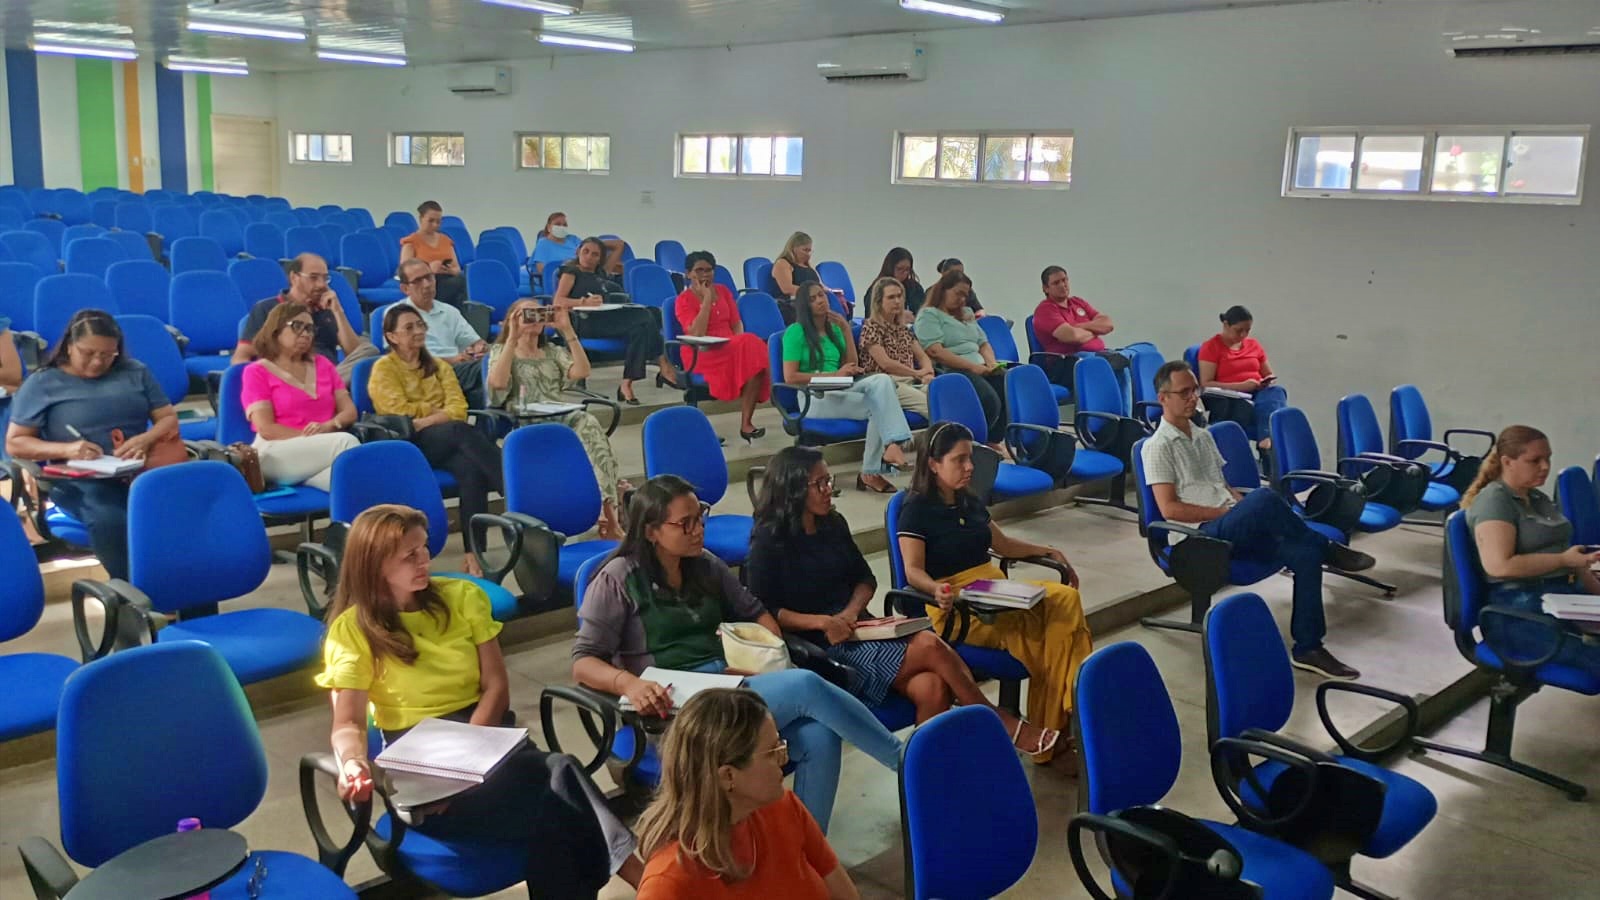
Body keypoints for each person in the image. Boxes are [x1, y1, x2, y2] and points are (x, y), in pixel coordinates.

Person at [317, 504, 642, 898]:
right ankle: (645, 879)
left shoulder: (462, 596)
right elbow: (347, 724)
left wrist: (471, 758)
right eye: (410, 556)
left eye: (424, 550)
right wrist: (352, 763)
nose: (425, 562)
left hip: (489, 742)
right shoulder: (352, 631)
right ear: (375, 564)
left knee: (557, 801)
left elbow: (496, 687)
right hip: (428, 776)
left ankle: (648, 883)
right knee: (560, 791)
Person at [571, 475, 904, 834]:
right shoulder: (618, 579)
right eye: (686, 523)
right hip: (677, 714)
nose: (698, 529)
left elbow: (755, 612)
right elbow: (583, 662)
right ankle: (904, 762)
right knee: (807, 684)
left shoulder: (705, 564)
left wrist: (768, 657)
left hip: (727, 687)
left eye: (700, 516)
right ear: (652, 531)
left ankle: (804, 850)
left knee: (819, 737)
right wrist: (630, 685)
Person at [748, 446, 1058, 750]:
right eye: (820, 484)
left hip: (858, 627)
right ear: (792, 490)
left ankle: (927, 783)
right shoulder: (768, 540)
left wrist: (851, 612)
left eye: (829, 481)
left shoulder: (833, 523)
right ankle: (994, 719)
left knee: (932, 688)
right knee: (930, 646)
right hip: (821, 648)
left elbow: (865, 578)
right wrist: (824, 622)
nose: (829, 489)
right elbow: (765, 610)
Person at [1142, 361, 1376, 680]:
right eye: (1184, 392)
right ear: (1163, 398)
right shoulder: (1157, 447)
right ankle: (1328, 548)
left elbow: (1222, 486)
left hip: (1229, 525)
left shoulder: (1202, 436)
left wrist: (1243, 511)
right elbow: (1169, 510)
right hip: (1197, 539)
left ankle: (1308, 647)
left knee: (1304, 555)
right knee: (1265, 497)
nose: (1192, 398)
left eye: (1194, 390)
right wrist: (1232, 513)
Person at [896, 421, 1093, 764]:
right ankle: (1067, 723)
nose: (969, 467)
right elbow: (913, 571)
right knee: (1046, 632)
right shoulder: (915, 509)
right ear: (933, 464)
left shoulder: (968, 501)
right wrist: (935, 588)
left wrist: (1046, 550)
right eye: (959, 460)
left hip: (993, 590)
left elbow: (1002, 545)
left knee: (1065, 602)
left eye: (969, 458)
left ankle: (1060, 726)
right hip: (956, 604)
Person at [634, 689, 859, 900]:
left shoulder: (784, 806)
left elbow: (846, 894)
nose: (785, 758)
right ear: (727, 776)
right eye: (772, 752)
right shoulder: (667, 883)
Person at [5, 310, 179, 580]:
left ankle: (189, 587)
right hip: (81, 481)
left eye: (108, 355)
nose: (98, 361)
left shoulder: (135, 372)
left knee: (180, 506)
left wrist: (145, 439)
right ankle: (136, 591)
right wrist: (67, 449)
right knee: (112, 518)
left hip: (139, 470)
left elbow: (167, 418)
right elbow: (16, 443)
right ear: (69, 347)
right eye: (88, 353)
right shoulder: (44, 383)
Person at [369, 305, 503, 577]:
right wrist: (437, 414)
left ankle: (474, 553)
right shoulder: (383, 369)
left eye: (420, 326)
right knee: (459, 431)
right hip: (408, 445)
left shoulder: (440, 366)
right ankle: (514, 493)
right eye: (409, 328)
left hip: (444, 439)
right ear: (391, 336)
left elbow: (459, 407)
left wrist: (428, 417)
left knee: (471, 470)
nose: (418, 331)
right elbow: (397, 411)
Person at [1463, 425, 1600, 675]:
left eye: (1548, 458)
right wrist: (1563, 560)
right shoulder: (1495, 500)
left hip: (1557, 598)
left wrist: (1590, 581)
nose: (1545, 466)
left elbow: (1571, 559)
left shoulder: (1537, 498)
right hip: (1516, 610)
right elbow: (1499, 565)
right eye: (1535, 460)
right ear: (1507, 462)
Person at [487, 299, 627, 539]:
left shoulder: (552, 351)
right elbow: (498, 384)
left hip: (558, 414)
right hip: (526, 418)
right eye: (526, 314)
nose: (534, 319)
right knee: (581, 429)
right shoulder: (502, 351)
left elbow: (582, 371)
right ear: (513, 319)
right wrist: (512, 338)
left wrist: (567, 330)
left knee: (588, 423)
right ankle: (609, 510)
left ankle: (608, 513)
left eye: (539, 313)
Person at [781, 284, 912, 492]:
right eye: (814, 298)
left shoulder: (834, 329)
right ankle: (883, 456)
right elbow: (790, 377)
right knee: (878, 403)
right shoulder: (795, 332)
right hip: (813, 397)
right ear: (805, 305)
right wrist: (833, 375)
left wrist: (844, 328)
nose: (821, 300)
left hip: (840, 389)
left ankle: (882, 457)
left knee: (881, 383)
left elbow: (851, 364)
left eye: (822, 295)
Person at [240, 301, 360, 491]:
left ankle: (307, 481)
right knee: (346, 442)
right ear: (276, 329)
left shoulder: (323, 364)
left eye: (310, 329)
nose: (306, 333)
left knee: (355, 482)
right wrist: (309, 437)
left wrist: (328, 426)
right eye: (297, 326)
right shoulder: (256, 372)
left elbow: (349, 411)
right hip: (275, 450)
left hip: (321, 448)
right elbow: (266, 429)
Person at [552, 236, 678, 405]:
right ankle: (663, 362)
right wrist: (583, 302)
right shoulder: (571, 272)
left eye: (595, 254)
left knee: (648, 318)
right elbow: (558, 301)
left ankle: (627, 383)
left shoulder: (601, 272)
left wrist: (596, 243)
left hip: (606, 318)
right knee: (644, 316)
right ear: (578, 252)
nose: (589, 257)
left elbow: (619, 245)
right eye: (585, 251)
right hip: (584, 322)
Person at [232, 253, 377, 383]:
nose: (321, 285)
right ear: (294, 277)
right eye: (313, 278)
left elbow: (354, 353)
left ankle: (327, 385)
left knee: (369, 353)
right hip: (287, 376)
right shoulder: (267, 308)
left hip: (328, 373)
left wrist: (338, 311)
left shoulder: (326, 308)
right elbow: (241, 357)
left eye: (325, 279)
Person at [674, 250, 771, 441]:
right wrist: (707, 298)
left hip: (729, 345)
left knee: (755, 359)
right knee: (753, 345)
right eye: (699, 270)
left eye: (709, 270)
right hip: (700, 351)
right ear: (688, 273)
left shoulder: (724, 291)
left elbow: (736, 324)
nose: (704, 274)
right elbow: (697, 333)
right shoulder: (683, 300)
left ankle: (746, 423)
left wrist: (738, 345)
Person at [914, 269, 1007, 450]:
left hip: (978, 366)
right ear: (943, 290)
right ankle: (969, 443)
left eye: (966, 295)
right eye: (958, 294)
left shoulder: (967, 313)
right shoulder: (929, 315)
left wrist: (991, 363)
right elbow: (936, 351)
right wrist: (973, 367)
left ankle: (991, 440)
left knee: (1004, 383)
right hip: (952, 369)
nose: (962, 299)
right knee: (989, 400)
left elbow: (983, 343)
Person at [397, 258, 488, 408]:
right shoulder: (397, 314)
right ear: (405, 289)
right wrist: (454, 359)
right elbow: (407, 359)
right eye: (418, 281)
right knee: (488, 368)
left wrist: (480, 349)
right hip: (427, 373)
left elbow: (474, 342)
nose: (426, 284)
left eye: (429, 277)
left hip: (459, 370)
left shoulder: (449, 311)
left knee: (496, 362)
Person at [1197, 305, 1288, 451]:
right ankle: (1267, 438)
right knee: (1270, 411)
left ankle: (1267, 439)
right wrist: (1242, 386)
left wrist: (1265, 383)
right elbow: (1206, 384)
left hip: (1258, 394)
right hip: (1232, 399)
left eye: (1247, 331)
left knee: (1277, 391)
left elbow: (1269, 375)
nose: (1243, 335)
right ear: (1226, 325)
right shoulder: (1211, 347)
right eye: (1239, 330)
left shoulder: (1253, 345)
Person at [1030, 265, 1119, 394]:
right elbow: (1072, 337)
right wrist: (1096, 329)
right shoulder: (1045, 310)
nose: (1063, 285)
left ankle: (1124, 413)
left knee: (1122, 363)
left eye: (1064, 280)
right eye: (1056, 283)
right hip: (1065, 363)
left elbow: (1108, 324)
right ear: (1046, 288)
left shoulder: (1077, 302)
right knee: (1097, 363)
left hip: (1097, 354)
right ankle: (1097, 412)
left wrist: (1080, 326)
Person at [857, 276, 933, 418]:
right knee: (930, 405)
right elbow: (886, 364)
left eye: (899, 296)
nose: (897, 301)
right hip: (887, 383)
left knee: (946, 396)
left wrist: (928, 373)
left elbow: (923, 356)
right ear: (879, 302)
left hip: (911, 381)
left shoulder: (903, 329)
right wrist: (916, 373)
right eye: (891, 297)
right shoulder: (871, 327)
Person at [397, 200, 467, 309]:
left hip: (448, 279)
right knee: (459, 284)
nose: (435, 225)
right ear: (421, 219)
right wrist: (429, 269)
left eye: (438, 222)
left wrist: (450, 270)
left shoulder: (446, 240)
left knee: (462, 281)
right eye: (431, 221)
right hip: (425, 282)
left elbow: (456, 267)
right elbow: (405, 271)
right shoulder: (411, 242)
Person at [765, 232, 840, 325]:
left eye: (810, 251)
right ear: (793, 248)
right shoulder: (783, 263)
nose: (808, 254)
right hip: (793, 304)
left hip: (813, 300)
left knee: (837, 301)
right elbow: (787, 288)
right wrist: (812, 293)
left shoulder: (808, 266)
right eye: (805, 250)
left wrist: (833, 292)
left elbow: (821, 286)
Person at [531, 212, 626, 284]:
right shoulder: (543, 244)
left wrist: (597, 244)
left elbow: (588, 249)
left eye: (564, 225)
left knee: (619, 246)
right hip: (570, 278)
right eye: (558, 224)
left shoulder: (572, 239)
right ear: (549, 227)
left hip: (591, 271)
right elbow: (543, 271)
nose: (561, 227)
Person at [869, 247, 924, 322]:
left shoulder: (915, 288)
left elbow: (922, 312)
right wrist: (898, 315)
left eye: (907, 270)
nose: (904, 273)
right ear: (890, 267)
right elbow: (870, 315)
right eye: (900, 269)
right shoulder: (877, 288)